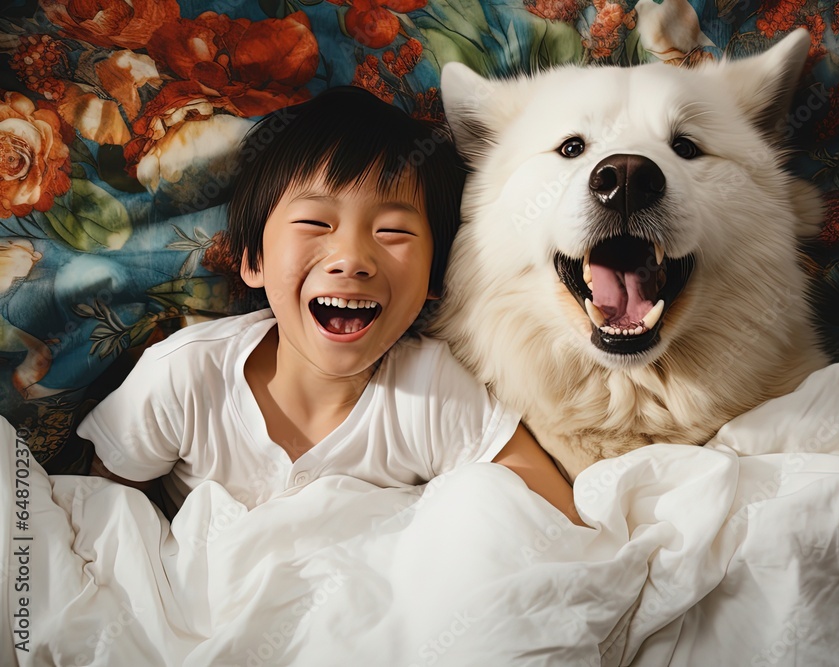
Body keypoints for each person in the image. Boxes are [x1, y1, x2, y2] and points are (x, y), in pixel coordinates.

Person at [82, 86, 583, 526]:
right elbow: (108, 516)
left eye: (393, 232)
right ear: (253, 259)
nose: (352, 258)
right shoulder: (185, 376)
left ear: (435, 277)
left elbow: (553, 513)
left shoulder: (432, 390)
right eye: (315, 224)